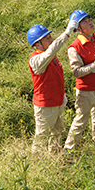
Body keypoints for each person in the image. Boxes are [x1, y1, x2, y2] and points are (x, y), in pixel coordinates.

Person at [27, 19, 78, 154]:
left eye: (50, 37)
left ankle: (54, 157)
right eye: (47, 38)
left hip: (56, 102)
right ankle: (36, 164)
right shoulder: (37, 60)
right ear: (37, 44)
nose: (51, 40)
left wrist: (63, 97)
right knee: (42, 136)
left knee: (57, 131)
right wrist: (66, 33)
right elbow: (51, 50)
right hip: (45, 106)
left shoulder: (50, 57)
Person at [64, 9, 95, 150]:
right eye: (85, 21)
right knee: (80, 121)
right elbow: (77, 72)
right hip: (86, 92)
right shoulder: (74, 48)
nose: (90, 22)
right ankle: (69, 149)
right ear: (78, 28)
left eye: (89, 19)